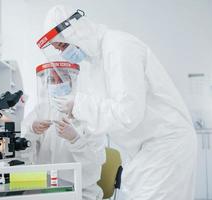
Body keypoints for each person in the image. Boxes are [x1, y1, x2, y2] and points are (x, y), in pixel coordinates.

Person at [36, 5, 197, 200]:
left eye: (62, 46)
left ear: (74, 32)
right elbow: (108, 111)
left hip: (164, 145)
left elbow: (128, 114)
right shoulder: (95, 62)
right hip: (143, 152)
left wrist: (79, 106)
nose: (64, 54)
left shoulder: (118, 47)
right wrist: (78, 115)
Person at [21, 62, 105, 200]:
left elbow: (95, 163)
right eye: (51, 80)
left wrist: (75, 140)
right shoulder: (42, 110)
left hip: (80, 192)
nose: (57, 84)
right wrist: (31, 131)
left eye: (62, 78)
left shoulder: (89, 113)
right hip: (44, 189)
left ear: (73, 80)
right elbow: (22, 154)